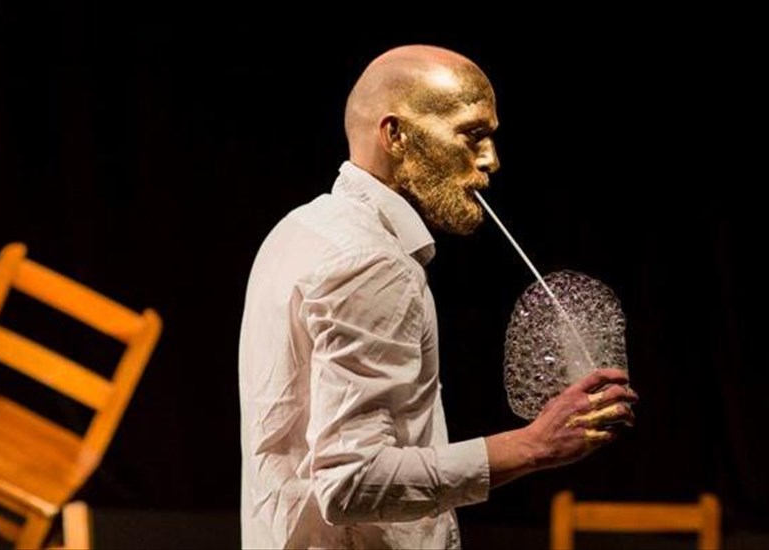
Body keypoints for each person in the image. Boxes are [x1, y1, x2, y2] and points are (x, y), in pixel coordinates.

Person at [238, 44, 638, 549]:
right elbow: (350, 483)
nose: (490, 160)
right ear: (396, 136)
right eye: (472, 135)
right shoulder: (372, 261)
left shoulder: (301, 229)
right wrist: (533, 446)